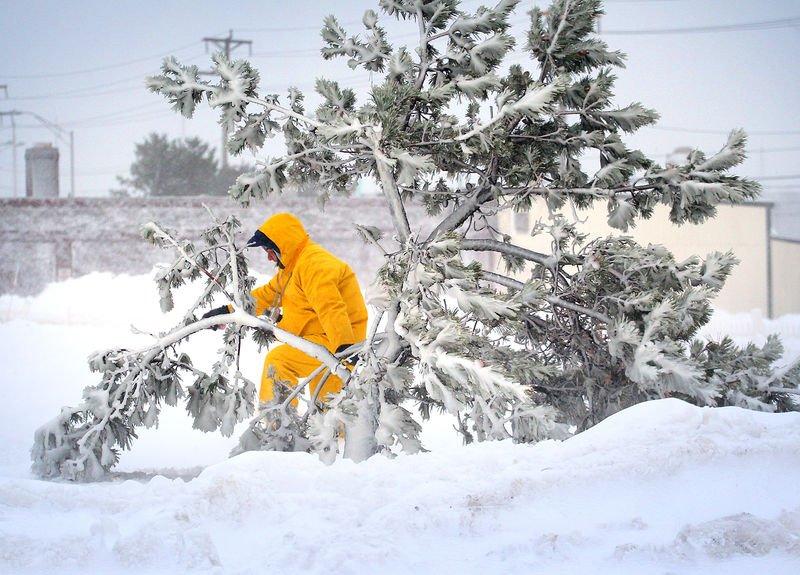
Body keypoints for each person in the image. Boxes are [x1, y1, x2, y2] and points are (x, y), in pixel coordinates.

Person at [203, 212, 368, 407]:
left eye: (269, 250)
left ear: (284, 244)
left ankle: (276, 428)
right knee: (328, 413)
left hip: (337, 341)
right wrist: (227, 312)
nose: (269, 257)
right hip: (324, 340)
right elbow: (266, 296)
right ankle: (336, 436)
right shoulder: (292, 268)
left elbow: (330, 307)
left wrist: (345, 349)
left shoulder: (314, 264)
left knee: (279, 362)